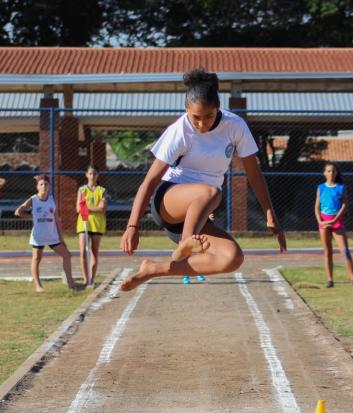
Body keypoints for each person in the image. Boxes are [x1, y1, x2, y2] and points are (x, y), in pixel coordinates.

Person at [119, 68, 286, 291]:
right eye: (195, 117)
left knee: (232, 257)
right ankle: (187, 242)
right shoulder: (179, 131)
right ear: (186, 109)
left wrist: (270, 214)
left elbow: (253, 173)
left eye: (209, 116)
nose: (201, 124)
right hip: (169, 200)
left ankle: (153, 269)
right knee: (211, 191)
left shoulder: (234, 126)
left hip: (197, 212)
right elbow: (149, 181)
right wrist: (133, 225)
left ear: (218, 109)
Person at [15, 174, 76, 291]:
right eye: (41, 184)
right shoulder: (33, 200)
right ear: (37, 187)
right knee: (36, 259)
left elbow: (56, 220)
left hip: (52, 235)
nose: (44, 186)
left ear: (49, 186)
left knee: (67, 255)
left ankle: (70, 282)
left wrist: (61, 238)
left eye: (46, 184)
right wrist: (31, 217)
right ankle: (38, 286)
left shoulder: (52, 200)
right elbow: (18, 211)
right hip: (38, 236)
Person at [315, 161, 353, 288]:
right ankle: (330, 280)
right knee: (327, 251)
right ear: (324, 173)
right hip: (324, 222)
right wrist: (320, 221)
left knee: (344, 250)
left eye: (333, 171)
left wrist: (335, 220)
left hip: (336, 221)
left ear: (336, 173)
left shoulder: (341, 187)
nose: (331, 173)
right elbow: (317, 206)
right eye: (328, 171)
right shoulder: (320, 188)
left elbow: (344, 205)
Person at [76, 166, 106, 286]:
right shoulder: (82, 190)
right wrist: (95, 208)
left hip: (97, 224)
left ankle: (91, 279)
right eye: (90, 173)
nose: (92, 176)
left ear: (98, 175)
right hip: (83, 223)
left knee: (94, 252)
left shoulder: (101, 190)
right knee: (83, 251)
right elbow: (78, 208)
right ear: (86, 175)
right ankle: (85, 278)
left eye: (94, 174)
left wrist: (87, 207)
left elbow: (102, 208)